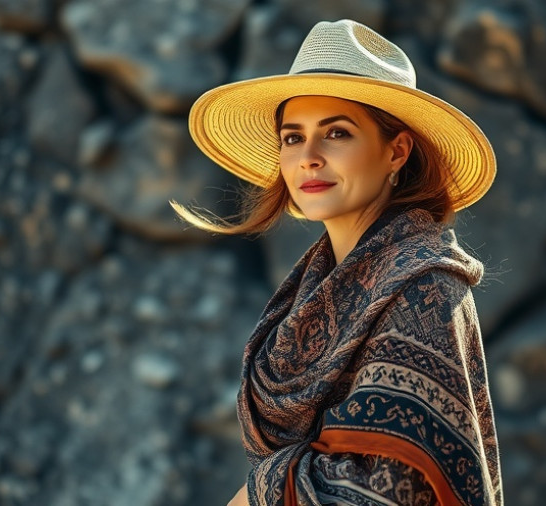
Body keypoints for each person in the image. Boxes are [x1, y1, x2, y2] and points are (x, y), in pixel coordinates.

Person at [174, 19, 503, 506]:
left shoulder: (424, 286)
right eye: (292, 137)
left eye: (337, 133)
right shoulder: (310, 287)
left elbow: (391, 486)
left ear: (396, 151)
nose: (307, 157)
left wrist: (256, 494)